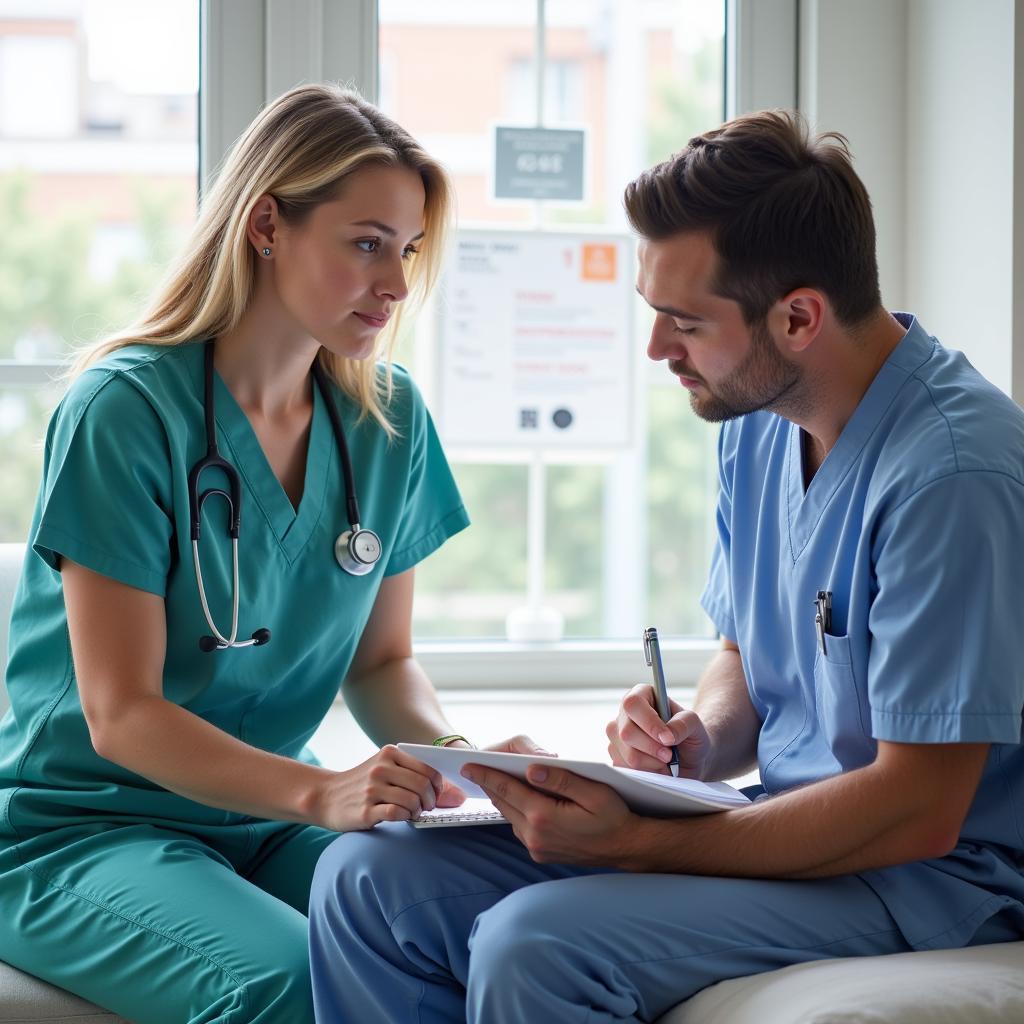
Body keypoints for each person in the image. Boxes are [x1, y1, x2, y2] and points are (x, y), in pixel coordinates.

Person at [307, 109, 1024, 1023]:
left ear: (798, 316)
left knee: (537, 945)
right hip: (781, 813)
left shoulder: (955, 475)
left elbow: (918, 807)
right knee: (370, 876)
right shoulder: (760, 421)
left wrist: (640, 843)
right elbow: (748, 663)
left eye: (683, 322)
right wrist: (693, 740)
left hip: (926, 871)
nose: (656, 351)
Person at [0, 83, 540, 1024]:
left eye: (407, 250)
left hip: (263, 819)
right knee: (294, 985)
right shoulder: (126, 413)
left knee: (502, 922)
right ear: (266, 225)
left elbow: (383, 664)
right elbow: (122, 714)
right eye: (367, 243)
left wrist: (465, 769)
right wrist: (321, 792)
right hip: (80, 832)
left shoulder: (389, 418)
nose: (397, 283)